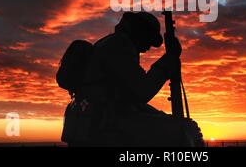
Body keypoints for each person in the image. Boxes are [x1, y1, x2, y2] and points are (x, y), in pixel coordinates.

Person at [62, 11, 201, 146]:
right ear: (140, 32)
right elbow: (142, 91)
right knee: (186, 130)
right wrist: (169, 60)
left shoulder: (110, 43)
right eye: (148, 40)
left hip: (95, 120)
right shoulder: (119, 44)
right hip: (103, 122)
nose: (148, 48)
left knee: (175, 123)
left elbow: (129, 96)